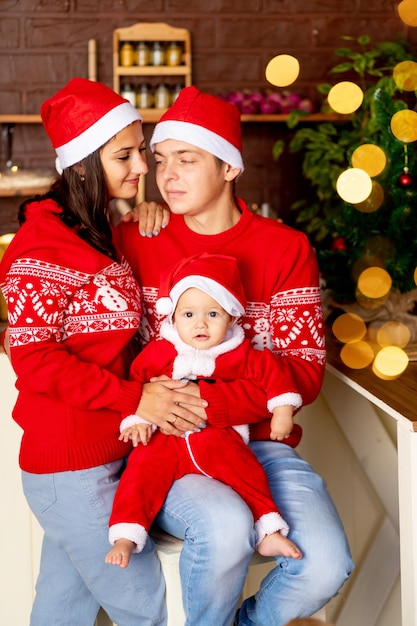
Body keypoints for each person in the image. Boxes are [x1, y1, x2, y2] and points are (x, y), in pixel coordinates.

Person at [114, 86, 354, 626]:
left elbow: (302, 371)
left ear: (228, 167)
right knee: (223, 529)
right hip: (168, 453)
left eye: (187, 159)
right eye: (160, 160)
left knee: (325, 566)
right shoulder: (137, 238)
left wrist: (210, 404)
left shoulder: (284, 247)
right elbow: (112, 348)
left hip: (262, 449)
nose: (166, 175)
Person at [0, 78, 207, 626]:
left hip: (103, 455)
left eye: (140, 149)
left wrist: (146, 222)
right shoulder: (40, 247)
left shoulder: (99, 232)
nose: (141, 166)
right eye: (124, 154)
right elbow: (34, 358)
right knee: (143, 609)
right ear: (83, 162)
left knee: (63, 609)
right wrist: (136, 398)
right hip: (71, 466)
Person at [105, 251, 304, 568]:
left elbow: (275, 376)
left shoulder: (241, 354)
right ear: (172, 318)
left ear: (232, 317)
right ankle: (127, 535)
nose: (200, 323)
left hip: (217, 437)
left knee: (246, 471)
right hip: (164, 439)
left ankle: (267, 527)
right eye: (188, 315)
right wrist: (136, 419)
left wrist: (282, 412)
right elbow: (138, 383)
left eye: (213, 314)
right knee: (140, 473)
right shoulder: (161, 351)